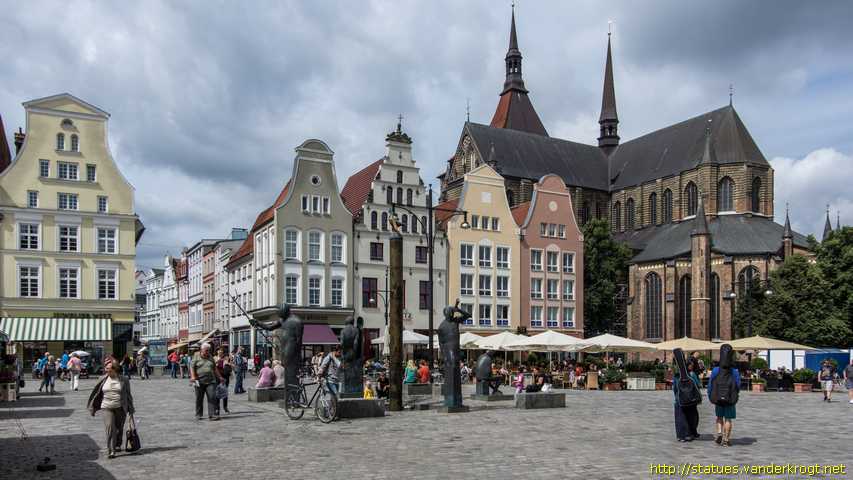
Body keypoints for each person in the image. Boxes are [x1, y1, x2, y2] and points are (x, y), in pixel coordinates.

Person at [87, 360, 135, 459]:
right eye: (106, 368)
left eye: (108, 368)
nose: (106, 370)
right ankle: (111, 450)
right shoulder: (102, 379)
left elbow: (128, 395)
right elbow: (96, 393)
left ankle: (117, 444)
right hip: (106, 406)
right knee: (109, 428)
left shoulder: (124, 380)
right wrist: (93, 407)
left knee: (118, 428)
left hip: (120, 407)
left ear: (115, 369)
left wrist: (131, 410)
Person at [708, 344, 740, 447]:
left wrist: (710, 396)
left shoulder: (715, 370)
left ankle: (719, 434)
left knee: (719, 417)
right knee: (728, 419)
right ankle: (726, 439)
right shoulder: (734, 371)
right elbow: (738, 385)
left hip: (718, 397)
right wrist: (735, 395)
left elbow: (710, 384)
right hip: (730, 398)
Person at [190, 343, 222, 421]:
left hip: (211, 381)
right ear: (201, 350)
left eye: (209, 350)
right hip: (199, 381)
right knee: (199, 398)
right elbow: (192, 367)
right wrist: (193, 376)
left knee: (212, 397)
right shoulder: (196, 356)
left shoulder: (210, 357)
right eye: (206, 350)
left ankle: (212, 414)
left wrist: (220, 377)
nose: (208, 352)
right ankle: (198, 414)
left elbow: (214, 368)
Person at [673, 362, 701, 442]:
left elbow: (675, 388)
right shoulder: (691, 374)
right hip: (691, 400)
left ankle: (681, 436)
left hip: (680, 399)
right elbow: (698, 385)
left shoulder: (677, 375)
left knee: (680, 418)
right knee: (692, 417)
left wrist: (677, 396)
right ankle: (691, 433)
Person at [214, 347, 231, 414]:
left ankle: (225, 407)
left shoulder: (226, 358)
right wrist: (217, 362)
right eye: (219, 350)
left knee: (225, 393)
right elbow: (212, 366)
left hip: (225, 377)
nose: (220, 352)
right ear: (217, 351)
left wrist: (228, 364)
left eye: (221, 351)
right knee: (217, 393)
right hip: (217, 377)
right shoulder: (214, 358)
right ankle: (217, 408)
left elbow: (231, 366)